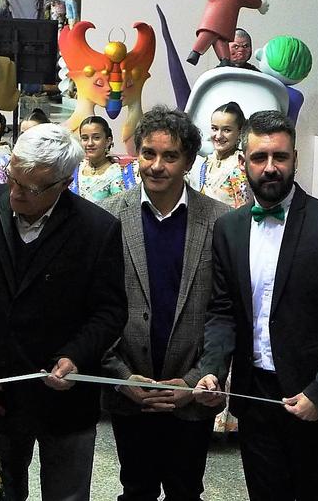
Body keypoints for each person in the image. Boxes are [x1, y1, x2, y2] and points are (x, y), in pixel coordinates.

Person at [0, 123, 128, 501]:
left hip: (65, 395)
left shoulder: (97, 228)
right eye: (12, 179)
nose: (15, 193)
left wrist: (75, 356)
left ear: (62, 184)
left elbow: (108, 311)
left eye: (30, 188)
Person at [195, 110, 318, 501]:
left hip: (311, 398)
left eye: (281, 157)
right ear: (244, 162)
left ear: (295, 158)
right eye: (260, 158)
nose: (270, 167)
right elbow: (223, 310)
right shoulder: (230, 228)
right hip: (253, 394)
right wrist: (211, 369)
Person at [101, 106, 230, 501]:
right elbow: (97, 309)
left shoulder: (220, 222)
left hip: (190, 394)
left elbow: (224, 312)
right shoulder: (107, 219)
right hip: (130, 390)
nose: (156, 166)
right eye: (147, 154)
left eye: (169, 156)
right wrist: (123, 378)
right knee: (135, 489)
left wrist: (194, 382)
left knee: (185, 491)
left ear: (189, 160)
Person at [195, 101, 250, 208]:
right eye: (214, 128)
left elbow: (243, 212)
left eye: (227, 130)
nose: (219, 136)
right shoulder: (204, 162)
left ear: (240, 132)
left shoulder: (241, 165)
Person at [70, 116, 125, 202]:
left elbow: (118, 208)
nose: (90, 143)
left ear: (108, 141)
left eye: (96, 138)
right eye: (85, 138)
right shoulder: (75, 169)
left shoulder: (116, 173)